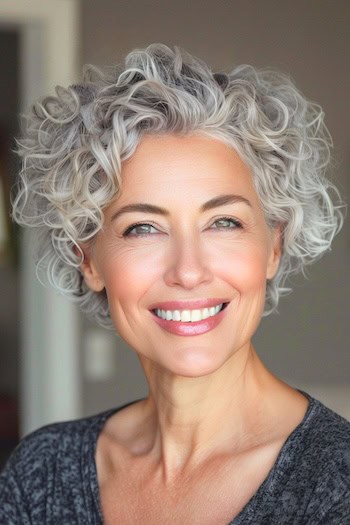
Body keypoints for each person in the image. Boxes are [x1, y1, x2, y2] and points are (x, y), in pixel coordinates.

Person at [0, 43, 349, 524]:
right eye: (143, 227)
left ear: (273, 246)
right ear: (87, 259)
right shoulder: (41, 474)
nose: (188, 270)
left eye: (223, 222)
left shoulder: (337, 485)